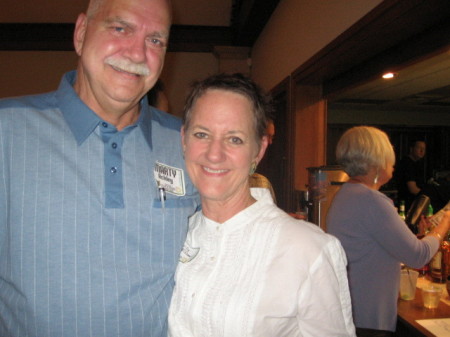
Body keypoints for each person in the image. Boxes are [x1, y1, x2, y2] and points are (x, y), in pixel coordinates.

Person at [0, 0, 200, 336]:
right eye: (120, 28)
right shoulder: (6, 131)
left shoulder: (188, 144)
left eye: (155, 41)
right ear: (80, 34)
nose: (137, 54)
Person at [168, 73, 356, 337]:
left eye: (234, 139)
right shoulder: (173, 232)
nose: (213, 153)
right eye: (202, 134)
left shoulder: (309, 250)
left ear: (259, 149)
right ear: (184, 139)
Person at [326, 126, 450, 337]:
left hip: (352, 310)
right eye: (389, 158)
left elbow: (377, 244)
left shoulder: (346, 194)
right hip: (369, 317)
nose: (392, 164)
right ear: (375, 163)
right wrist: (444, 224)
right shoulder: (372, 200)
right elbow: (417, 256)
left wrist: (421, 236)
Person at [395, 140, 427, 211]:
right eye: (419, 148)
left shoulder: (417, 164)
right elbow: (412, 189)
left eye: (424, 149)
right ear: (412, 149)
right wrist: (427, 195)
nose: (422, 151)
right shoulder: (407, 164)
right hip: (408, 203)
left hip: (413, 202)